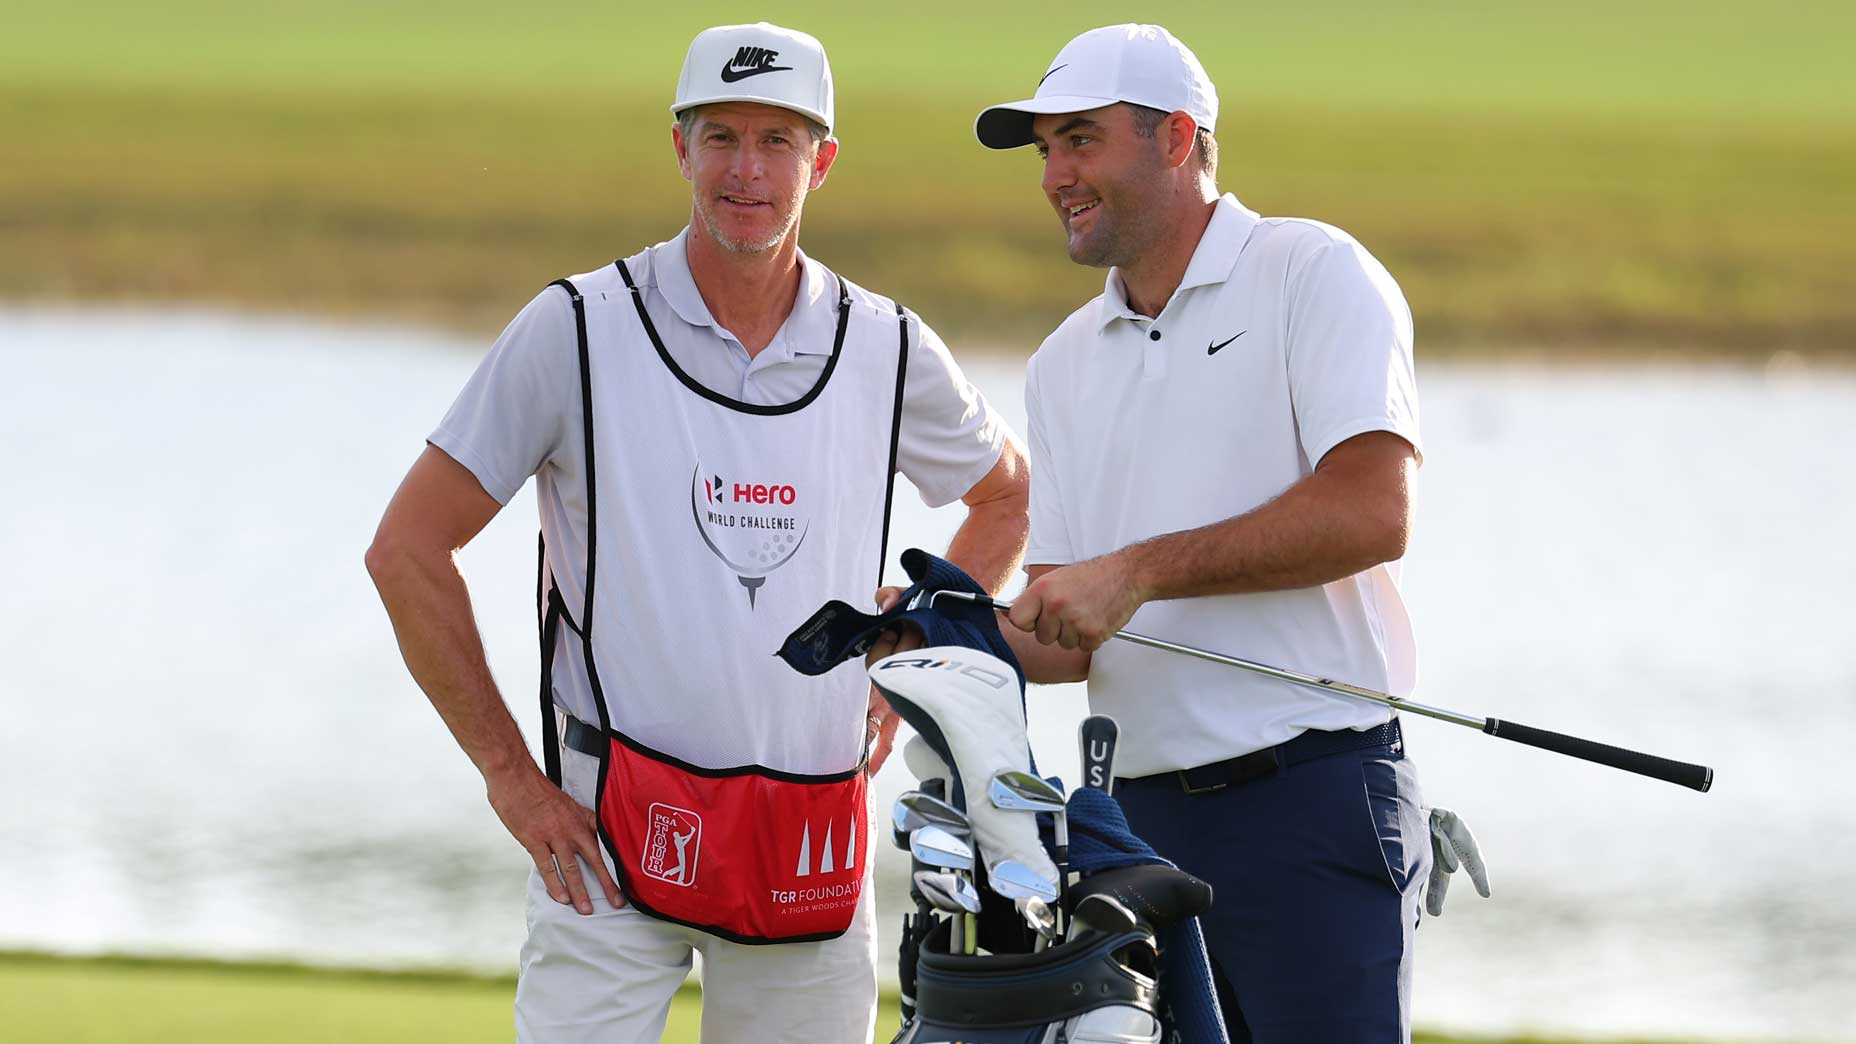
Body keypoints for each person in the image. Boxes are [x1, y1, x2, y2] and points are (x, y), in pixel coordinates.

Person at [365, 22, 1028, 1044]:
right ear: (678, 148)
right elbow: (407, 549)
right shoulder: (577, 327)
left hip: (809, 843)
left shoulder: (886, 345)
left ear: (823, 161)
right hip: (601, 845)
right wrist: (511, 778)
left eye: (777, 140)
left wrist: (916, 643)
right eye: (719, 136)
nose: (745, 170)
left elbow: (1004, 496)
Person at [974, 24, 1430, 1044]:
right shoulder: (1061, 363)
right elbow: (1068, 632)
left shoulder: (1310, 272)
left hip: (1309, 800)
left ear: (1175, 139)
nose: (1054, 174)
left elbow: (1371, 509)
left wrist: (1135, 572)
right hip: (1134, 825)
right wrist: (946, 637)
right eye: (1044, 149)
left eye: (1080, 140)